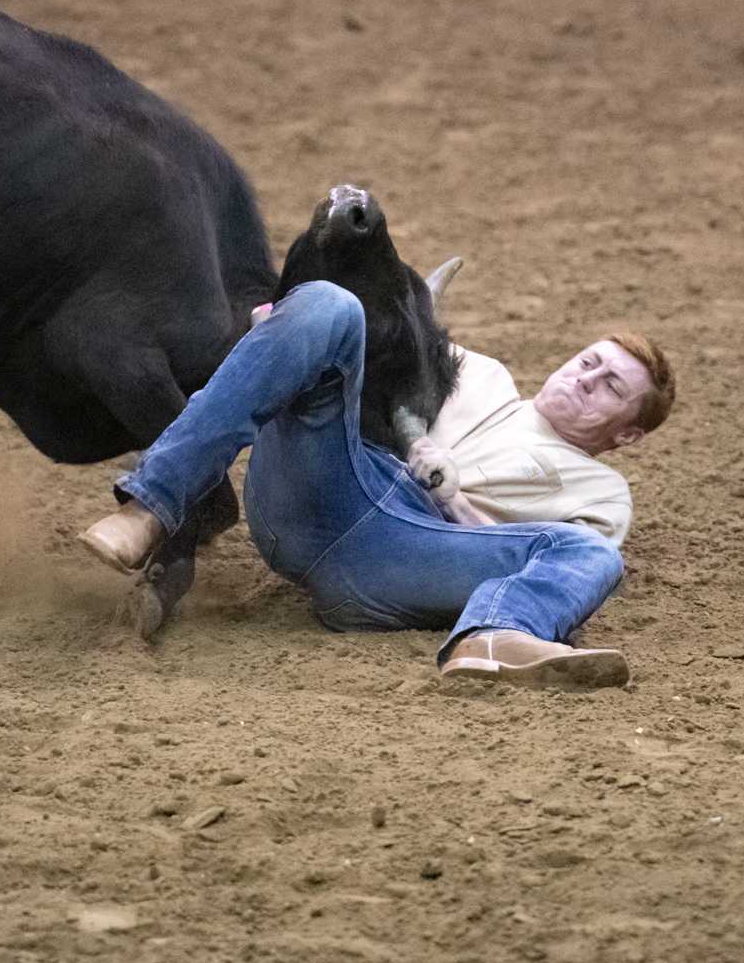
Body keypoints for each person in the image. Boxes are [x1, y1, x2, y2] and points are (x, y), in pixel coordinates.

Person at [78, 280, 675, 688]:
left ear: (626, 437)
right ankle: (151, 506)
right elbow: (375, 362)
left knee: (592, 555)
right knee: (330, 305)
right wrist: (292, 336)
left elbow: (552, 574)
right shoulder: (478, 370)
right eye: (589, 361)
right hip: (328, 486)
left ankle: (495, 635)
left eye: (612, 387)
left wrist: (454, 501)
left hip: (405, 555)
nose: (587, 378)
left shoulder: (603, 493)